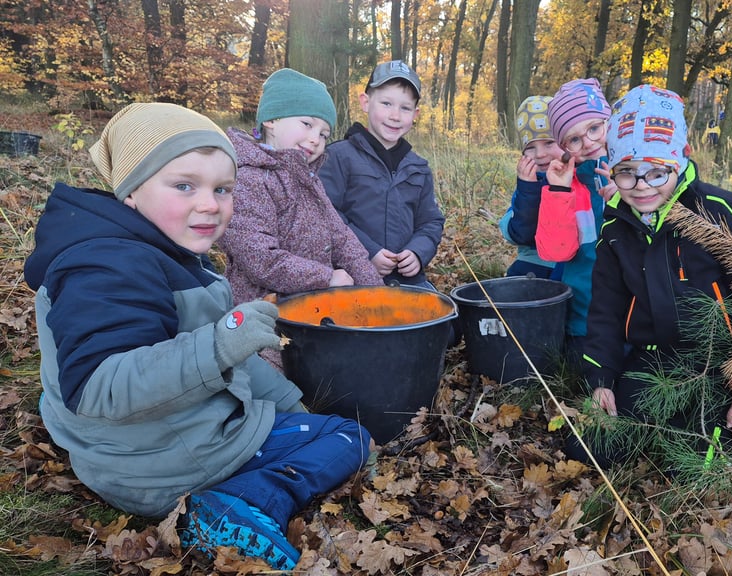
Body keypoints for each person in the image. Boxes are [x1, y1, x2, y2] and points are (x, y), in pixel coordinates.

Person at [23, 103, 372, 571]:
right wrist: (222, 342)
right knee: (350, 437)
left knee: (316, 427)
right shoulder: (108, 266)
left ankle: (249, 475)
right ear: (131, 191)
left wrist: (291, 407)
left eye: (222, 189)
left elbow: (234, 359)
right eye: (184, 186)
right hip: (162, 465)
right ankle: (243, 501)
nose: (210, 204)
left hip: (151, 446)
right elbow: (97, 388)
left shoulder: (161, 250)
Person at [569, 85, 732, 467]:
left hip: (723, 364)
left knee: (706, 458)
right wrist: (601, 381)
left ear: (680, 159)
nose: (641, 186)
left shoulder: (721, 211)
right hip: (654, 362)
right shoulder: (616, 225)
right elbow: (606, 310)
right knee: (592, 447)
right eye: (626, 173)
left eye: (656, 172)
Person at [218, 68, 381, 308]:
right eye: (307, 124)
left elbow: (344, 241)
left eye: (324, 135)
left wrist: (377, 295)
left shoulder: (309, 180)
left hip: (313, 308)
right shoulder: (249, 179)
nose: (316, 139)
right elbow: (259, 259)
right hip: (263, 313)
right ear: (271, 120)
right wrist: (326, 277)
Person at [319, 60, 445, 289]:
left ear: (415, 114)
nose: (395, 116)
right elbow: (327, 214)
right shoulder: (338, 156)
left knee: (443, 310)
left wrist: (418, 252)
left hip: (407, 282)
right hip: (353, 278)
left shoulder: (418, 167)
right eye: (386, 103)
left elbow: (431, 221)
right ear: (366, 103)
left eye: (405, 108)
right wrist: (368, 252)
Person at [537, 78, 615, 356]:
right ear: (565, 147)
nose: (589, 142)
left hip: (635, 316)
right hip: (584, 319)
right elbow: (555, 251)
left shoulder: (638, 177)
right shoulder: (569, 186)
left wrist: (625, 196)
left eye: (594, 128)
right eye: (574, 139)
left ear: (609, 123)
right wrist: (559, 190)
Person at [499, 95, 561, 278]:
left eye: (549, 142)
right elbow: (521, 234)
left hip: (573, 264)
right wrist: (527, 188)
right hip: (534, 262)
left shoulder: (583, 177)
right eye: (530, 147)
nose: (540, 154)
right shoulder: (530, 182)